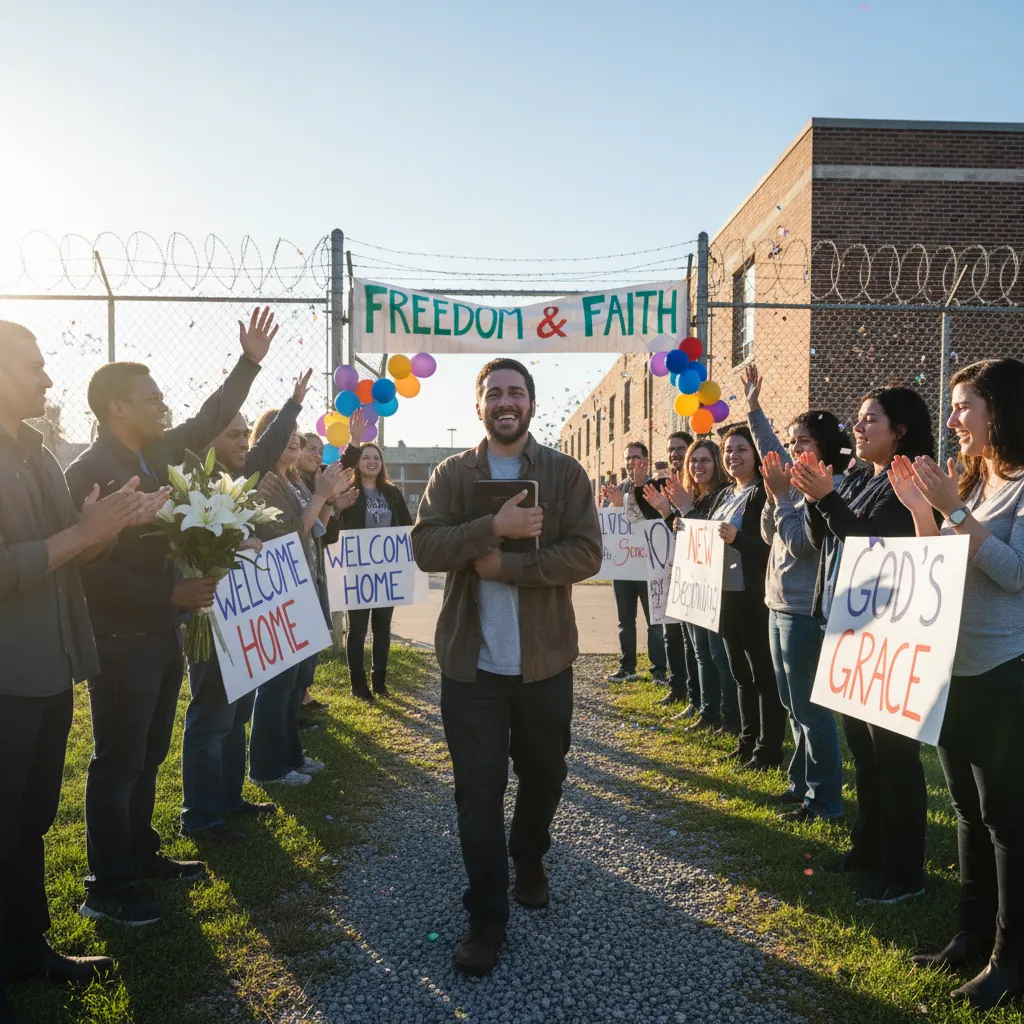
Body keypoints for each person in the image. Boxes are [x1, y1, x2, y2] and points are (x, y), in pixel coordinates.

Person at [64, 307, 279, 927]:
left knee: (150, 752)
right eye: (150, 397)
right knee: (118, 762)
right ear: (115, 409)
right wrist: (169, 598)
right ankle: (107, 887)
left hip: (160, 635)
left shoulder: (157, 453)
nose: (163, 405)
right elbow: (89, 569)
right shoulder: (91, 473)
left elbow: (209, 417)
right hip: (121, 637)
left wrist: (249, 364)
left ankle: (140, 852)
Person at [0, 321, 171, 1024]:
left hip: (50, 663)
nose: (47, 379)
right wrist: (83, 533)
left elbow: (71, 554)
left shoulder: (36, 452)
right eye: (33, 367)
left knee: (31, 819)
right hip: (9, 673)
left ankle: (25, 947)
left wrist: (104, 528)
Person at [412, 357, 601, 975]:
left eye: (515, 392)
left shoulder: (565, 472)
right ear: (479, 406)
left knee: (545, 773)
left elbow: (586, 552)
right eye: (494, 392)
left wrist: (511, 568)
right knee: (478, 792)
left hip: (544, 661)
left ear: (531, 404)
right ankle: (487, 918)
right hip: (473, 667)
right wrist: (491, 527)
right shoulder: (451, 473)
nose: (505, 401)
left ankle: (530, 853)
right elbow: (425, 547)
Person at [888, 358, 1024, 1010]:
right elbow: (939, 561)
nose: (951, 419)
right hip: (955, 667)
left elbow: (1015, 574)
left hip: (1004, 670)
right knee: (967, 811)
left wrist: (956, 511)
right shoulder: (974, 480)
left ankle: (1009, 960)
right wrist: (922, 510)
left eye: (963, 405)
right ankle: (969, 938)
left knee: (1006, 818)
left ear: (998, 409)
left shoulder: (1019, 488)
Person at [791, 385, 933, 905]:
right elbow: (827, 536)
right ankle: (867, 848)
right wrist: (815, 495)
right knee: (864, 756)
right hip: (846, 626)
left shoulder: (906, 485)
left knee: (895, 758)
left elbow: (870, 547)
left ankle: (905, 873)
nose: (859, 427)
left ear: (900, 431)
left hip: (888, 638)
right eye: (858, 418)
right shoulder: (856, 478)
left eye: (871, 419)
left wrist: (825, 498)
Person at [178, 371, 311, 845]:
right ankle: (202, 815)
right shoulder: (192, 482)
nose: (244, 441)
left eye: (243, 432)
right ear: (207, 436)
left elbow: (269, 439)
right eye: (233, 433)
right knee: (211, 715)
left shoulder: (239, 475)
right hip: (209, 620)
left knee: (238, 712)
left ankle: (230, 799)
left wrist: (293, 405)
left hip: (241, 617)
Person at [743, 363, 849, 822]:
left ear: (823, 448)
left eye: (802, 442)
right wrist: (752, 409)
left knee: (811, 709)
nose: (791, 450)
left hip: (806, 613)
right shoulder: (793, 483)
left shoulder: (826, 490)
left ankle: (824, 801)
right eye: (791, 442)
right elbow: (772, 534)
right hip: (778, 604)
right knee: (791, 703)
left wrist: (782, 496)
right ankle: (801, 783)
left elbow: (802, 543)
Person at [247, 419, 351, 787]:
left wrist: (329, 500)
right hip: (280, 589)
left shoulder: (291, 479)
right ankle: (266, 768)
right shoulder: (268, 483)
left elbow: (314, 527)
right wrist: (323, 496)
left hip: (302, 582)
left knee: (293, 683)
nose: (294, 440)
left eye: (296, 435)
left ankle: (290, 756)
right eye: (285, 435)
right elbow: (291, 532)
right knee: (276, 684)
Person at [701, 426, 785, 770]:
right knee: (739, 673)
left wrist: (739, 539)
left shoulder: (765, 494)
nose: (733, 456)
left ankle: (768, 751)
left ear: (755, 455)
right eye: (728, 451)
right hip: (725, 596)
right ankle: (746, 742)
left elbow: (773, 548)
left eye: (741, 450)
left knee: (762, 676)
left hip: (754, 597)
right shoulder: (723, 496)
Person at [664, 440, 739, 734]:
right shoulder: (696, 497)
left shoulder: (722, 496)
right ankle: (706, 711)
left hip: (716, 589)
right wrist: (670, 515)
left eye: (705, 460)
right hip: (694, 585)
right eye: (693, 461)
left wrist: (683, 509)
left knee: (718, 657)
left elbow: (707, 540)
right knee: (700, 653)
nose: (698, 466)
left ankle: (726, 716)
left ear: (718, 464)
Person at [340, 420, 413, 700]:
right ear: (357, 462)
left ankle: (379, 681)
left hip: (387, 573)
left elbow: (406, 526)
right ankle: (358, 685)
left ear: (382, 464)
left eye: (376, 458)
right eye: (366, 457)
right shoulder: (348, 492)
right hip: (357, 572)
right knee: (357, 630)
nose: (371, 461)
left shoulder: (392, 493)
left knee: (382, 628)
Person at [603, 440, 669, 684]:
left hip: (648, 565)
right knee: (625, 620)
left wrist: (622, 504)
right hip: (623, 565)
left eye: (636, 457)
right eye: (628, 457)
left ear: (646, 460)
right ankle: (627, 666)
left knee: (654, 621)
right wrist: (612, 504)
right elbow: (611, 524)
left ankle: (659, 670)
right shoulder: (619, 487)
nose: (631, 462)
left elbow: (646, 520)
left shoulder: (656, 486)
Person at [643, 431, 701, 711]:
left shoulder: (696, 488)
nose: (675, 454)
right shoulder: (659, 485)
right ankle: (676, 688)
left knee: (692, 641)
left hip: (692, 573)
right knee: (671, 635)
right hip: (664, 570)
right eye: (671, 449)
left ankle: (696, 695)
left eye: (680, 448)